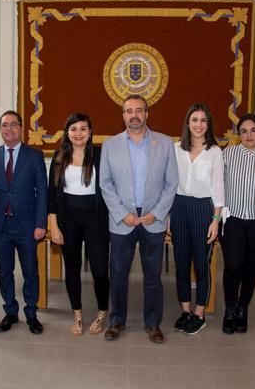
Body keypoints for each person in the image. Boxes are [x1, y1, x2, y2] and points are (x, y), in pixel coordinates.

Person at [100, 94, 178, 344]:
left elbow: (171, 183)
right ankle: (117, 321)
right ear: (123, 115)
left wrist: (156, 212)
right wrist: (124, 215)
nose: (134, 115)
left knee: (153, 276)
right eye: (128, 111)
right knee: (119, 273)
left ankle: (153, 323)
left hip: (152, 219)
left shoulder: (165, 143)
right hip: (123, 220)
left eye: (139, 110)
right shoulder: (110, 145)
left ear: (147, 113)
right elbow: (105, 183)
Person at [0, 111, 47, 334]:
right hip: (0, 226)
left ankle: (31, 314)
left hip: (27, 226)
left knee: (30, 272)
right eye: (5, 125)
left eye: (14, 125)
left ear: (21, 127)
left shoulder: (34, 156)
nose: (9, 129)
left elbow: (43, 194)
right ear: (0, 129)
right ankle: (10, 311)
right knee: (5, 272)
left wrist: (40, 224)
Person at [48, 113, 110, 335]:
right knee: (72, 269)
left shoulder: (101, 156)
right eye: (73, 129)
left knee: (100, 271)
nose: (78, 133)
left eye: (83, 129)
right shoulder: (58, 157)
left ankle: (103, 312)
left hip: (96, 220)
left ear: (90, 132)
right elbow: (52, 196)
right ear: (67, 133)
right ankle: (78, 315)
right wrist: (54, 226)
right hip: (68, 221)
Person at [219, 113, 255, 334]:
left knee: (251, 267)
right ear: (239, 134)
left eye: (253, 130)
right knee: (233, 265)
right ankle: (230, 308)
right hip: (232, 221)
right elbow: (218, 187)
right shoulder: (228, 155)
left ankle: (243, 308)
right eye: (244, 131)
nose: (249, 135)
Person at [171, 103, 224, 335]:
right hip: (179, 206)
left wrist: (215, 220)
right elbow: (169, 183)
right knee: (181, 264)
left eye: (203, 120)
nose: (199, 125)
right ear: (187, 123)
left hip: (204, 209)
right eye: (194, 120)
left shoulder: (215, 152)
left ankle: (200, 314)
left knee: (202, 266)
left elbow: (219, 190)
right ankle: (185, 311)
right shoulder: (175, 149)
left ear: (208, 124)